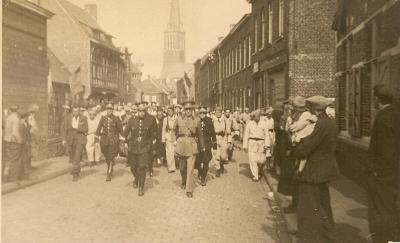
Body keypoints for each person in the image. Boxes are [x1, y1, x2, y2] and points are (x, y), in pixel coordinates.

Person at [292, 95, 338, 243]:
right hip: (324, 171)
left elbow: (307, 147)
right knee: (324, 206)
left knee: (308, 208)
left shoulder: (321, 125)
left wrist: (296, 146)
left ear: (314, 108)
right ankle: (329, 236)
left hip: (312, 172)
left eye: (309, 107)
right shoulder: (331, 123)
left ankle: (308, 239)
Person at [366, 84, 400, 243]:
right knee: (390, 206)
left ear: (378, 99)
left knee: (381, 209)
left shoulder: (383, 118)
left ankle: (385, 239)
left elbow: (385, 150)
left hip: (383, 175)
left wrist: (376, 171)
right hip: (394, 171)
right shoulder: (395, 114)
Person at [124, 102, 157, 196]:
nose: (141, 113)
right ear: (137, 111)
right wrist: (125, 143)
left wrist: (151, 146)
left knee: (142, 167)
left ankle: (141, 187)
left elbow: (154, 134)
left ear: (146, 111)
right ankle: (136, 178)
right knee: (133, 167)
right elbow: (125, 133)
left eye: (143, 111)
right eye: (139, 111)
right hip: (133, 148)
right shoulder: (132, 120)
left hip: (145, 148)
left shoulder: (151, 119)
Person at [174, 100, 204, 198]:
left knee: (190, 169)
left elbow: (200, 134)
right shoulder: (178, 119)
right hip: (181, 145)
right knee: (182, 168)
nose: (188, 111)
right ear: (183, 110)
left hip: (192, 145)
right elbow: (175, 130)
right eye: (186, 109)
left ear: (193, 110)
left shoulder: (197, 120)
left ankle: (189, 189)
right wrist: (176, 141)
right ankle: (183, 180)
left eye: (190, 109)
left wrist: (202, 146)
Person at [288, 96, 317, 174]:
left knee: (302, 159)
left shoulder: (306, 114)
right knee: (298, 160)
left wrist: (301, 124)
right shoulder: (298, 115)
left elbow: (294, 128)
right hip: (298, 141)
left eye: (295, 106)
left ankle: (299, 173)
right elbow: (290, 127)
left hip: (304, 140)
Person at [96, 103, 123, 182]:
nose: (109, 111)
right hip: (104, 139)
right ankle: (110, 165)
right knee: (106, 155)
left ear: (112, 110)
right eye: (108, 109)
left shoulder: (116, 118)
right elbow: (98, 128)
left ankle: (109, 173)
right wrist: (96, 137)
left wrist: (123, 138)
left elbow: (120, 129)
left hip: (113, 140)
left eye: (111, 109)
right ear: (106, 110)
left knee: (110, 156)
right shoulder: (103, 118)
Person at [62, 106, 88, 181]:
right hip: (71, 140)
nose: (76, 113)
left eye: (77, 111)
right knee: (73, 157)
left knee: (77, 157)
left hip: (80, 140)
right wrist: (63, 139)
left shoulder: (84, 118)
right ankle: (77, 169)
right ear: (72, 111)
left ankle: (75, 174)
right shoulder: (67, 118)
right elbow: (64, 129)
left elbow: (86, 129)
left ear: (79, 111)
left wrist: (77, 128)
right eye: (74, 111)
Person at [243, 109, 270, 182]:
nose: (256, 118)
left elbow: (267, 135)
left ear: (259, 116)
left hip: (261, 142)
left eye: (257, 116)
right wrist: (245, 145)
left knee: (261, 160)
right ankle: (255, 176)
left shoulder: (264, 123)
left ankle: (259, 170)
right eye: (254, 117)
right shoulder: (250, 123)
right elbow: (246, 134)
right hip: (252, 142)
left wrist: (267, 145)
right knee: (252, 159)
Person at [197, 106, 217, 186]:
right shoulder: (196, 120)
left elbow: (213, 132)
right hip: (198, 144)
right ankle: (200, 171)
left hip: (207, 143)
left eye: (204, 113)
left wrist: (215, 144)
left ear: (206, 113)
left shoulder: (209, 121)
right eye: (201, 113)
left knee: (206, 161)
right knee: (198, 162)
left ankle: (203, 178)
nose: (202, 114)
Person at [3, 105, 23, 182]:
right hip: (14, 141)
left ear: (10, 110)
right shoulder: (16, 119)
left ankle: (7, 176)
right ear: (17, 110)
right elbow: (15, 133)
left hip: (7, 141)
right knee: (15, 159)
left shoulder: (8, 118)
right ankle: (13, 178)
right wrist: (20, 140)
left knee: (10, 159)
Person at [212, 107, 228, 177]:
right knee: (215, 154)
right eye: (216, 112)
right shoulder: (213, 120)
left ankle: (221, 163)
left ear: (221, 113)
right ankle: (217, 168)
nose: (218, 113)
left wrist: (229, 140)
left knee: (223, 156)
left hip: (223, 138)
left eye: (219, 112)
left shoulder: (225, 120)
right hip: (215, 138)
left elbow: (228, 130)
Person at [162, 106, 177, 173]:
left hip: (175, 136)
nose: (170, 112)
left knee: (174, 152)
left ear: (173, 111)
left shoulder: (176, 118)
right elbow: (163, 129)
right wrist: (163, 138)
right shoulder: (165, 119)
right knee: (169, 153)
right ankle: (171, 167)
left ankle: (176, 165)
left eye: (171, 111)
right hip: (168, 136)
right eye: (168, 111)